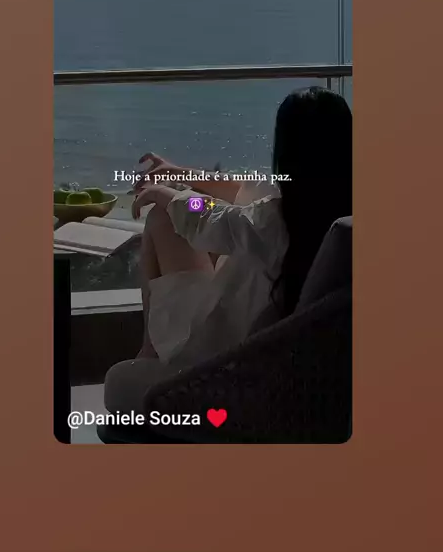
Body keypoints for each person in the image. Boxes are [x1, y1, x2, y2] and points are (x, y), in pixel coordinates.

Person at [104, 86, 352, 414]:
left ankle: (150, 353)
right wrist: (179, 174)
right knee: (169, 217)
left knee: (118, 382)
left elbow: (207, 216)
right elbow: (248, 192)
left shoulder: (275, 222)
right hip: (276, 359)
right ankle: (151, 355)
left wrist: (164, 194)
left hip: (227, 367)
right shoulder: (342, 217)